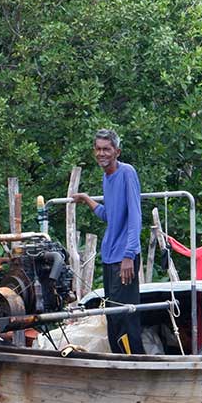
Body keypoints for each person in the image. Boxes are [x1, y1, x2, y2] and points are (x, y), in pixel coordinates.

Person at [73, 129, 145, 354]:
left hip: (124, 257)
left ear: (117, 152)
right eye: (98, 149)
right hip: (110, 257)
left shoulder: (127, 173)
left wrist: (129, 255)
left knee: (126, 315)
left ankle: (135, 363)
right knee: (112, 316)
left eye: (106, 149)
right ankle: (117, 360)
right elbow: (110, 215)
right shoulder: (107, 178)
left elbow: (135, 216)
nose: (101, 153)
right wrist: (87, 200)